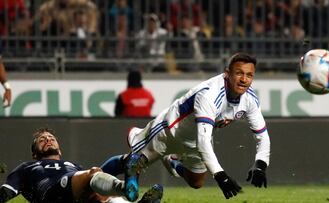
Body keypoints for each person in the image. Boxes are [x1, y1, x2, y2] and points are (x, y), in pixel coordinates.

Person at [123, 52, 271, 200]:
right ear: (227, 73)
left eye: (249, 75)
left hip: (195, 139)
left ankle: (172, 161)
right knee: (131, 163)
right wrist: (221, 176)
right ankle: (108, 177)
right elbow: (204, 141)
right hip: (170, 130)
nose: (244, 80)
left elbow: (262, 135)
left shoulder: (250, 99)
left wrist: (261, 164)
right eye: (239, 73)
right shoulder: (210, 95)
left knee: (196, 182)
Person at [0, 127, 163, 203]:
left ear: (60, 150)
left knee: (97, 193)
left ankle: (128, 180)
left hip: (73, 194)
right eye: (42, 140)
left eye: (51, 138)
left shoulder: (72, 165)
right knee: (93, 175)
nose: (48, 140)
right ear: (34, 154)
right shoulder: (26, 168)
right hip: (50, 194)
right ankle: (125, 187)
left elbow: (96, 180)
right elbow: (6, 192)